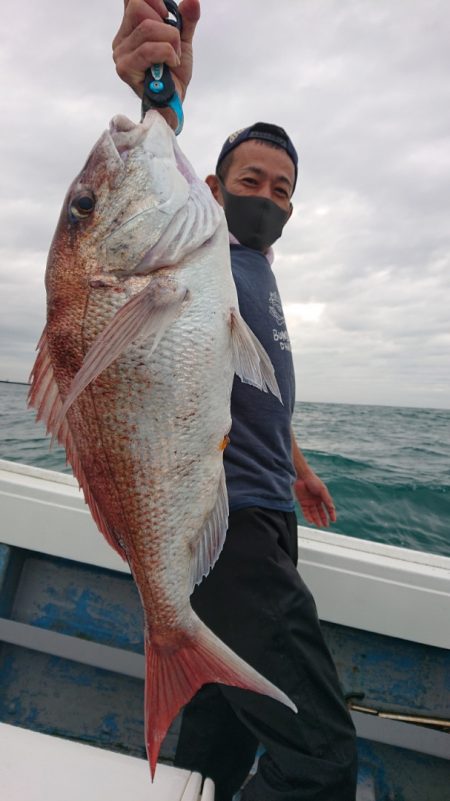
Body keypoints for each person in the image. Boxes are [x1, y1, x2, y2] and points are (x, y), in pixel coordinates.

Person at [113, 3, 358, 800]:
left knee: (218, 731)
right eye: (251, 181)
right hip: (223, 523)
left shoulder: (262, 270)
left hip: (266, 507)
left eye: (283, 189)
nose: (268, 196)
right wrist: (161, 97)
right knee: (320, 758)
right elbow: (143, 195)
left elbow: (253, 391)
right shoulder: (202, 245)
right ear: (214, 188)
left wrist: (298, 466)